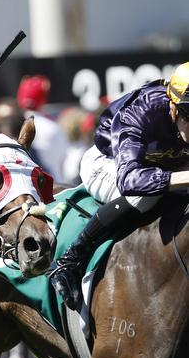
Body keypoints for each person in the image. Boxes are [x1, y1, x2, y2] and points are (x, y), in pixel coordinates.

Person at [49, 62, 189, 310]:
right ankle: (70, 260)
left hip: (160, 167)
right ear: (173, 106)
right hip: (107, 163)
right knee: (147, 196)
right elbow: (130, 180)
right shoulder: (142, 112)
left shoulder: (178, 111)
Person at [17, 75, 69, 183]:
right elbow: (64, 162)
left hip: (23, 189)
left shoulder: (12, 125)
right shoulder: (53, 128)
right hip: (54, 187)